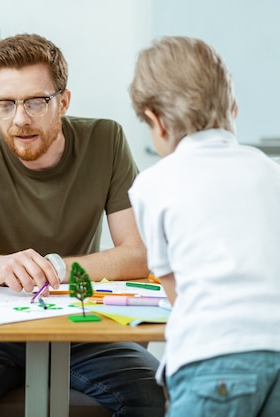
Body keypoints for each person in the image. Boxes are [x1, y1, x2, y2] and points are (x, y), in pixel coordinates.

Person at [0, 33, 164, 417]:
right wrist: (0, 266)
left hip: (83, 325)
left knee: (153, 394)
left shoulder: (105, 141)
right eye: (6, 104)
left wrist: (57, 268)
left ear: (62, 101)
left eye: (35, 102)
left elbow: (137, 255)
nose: (20, 119)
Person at [128, 36, 280, 417]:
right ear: (234, 108)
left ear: (155, 121)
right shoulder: (271, 172)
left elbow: (173, 287)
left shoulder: (152, 184)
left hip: (213, 359)